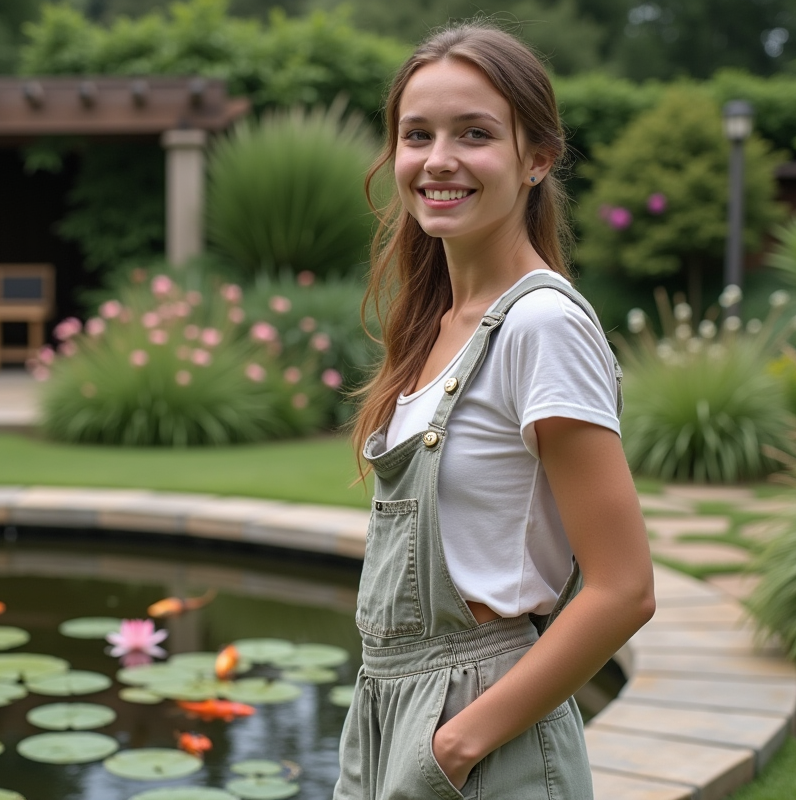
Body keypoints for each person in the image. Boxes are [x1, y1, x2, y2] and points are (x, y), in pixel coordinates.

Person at [335, 22, 656, 800]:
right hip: (389, 709)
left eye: (474, 134)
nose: (438, 159)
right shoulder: (435, 324)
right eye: (418, 134)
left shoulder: (542, 326)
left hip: (480, 732)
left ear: (536, 158)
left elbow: (624, 589)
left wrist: (453, 747)